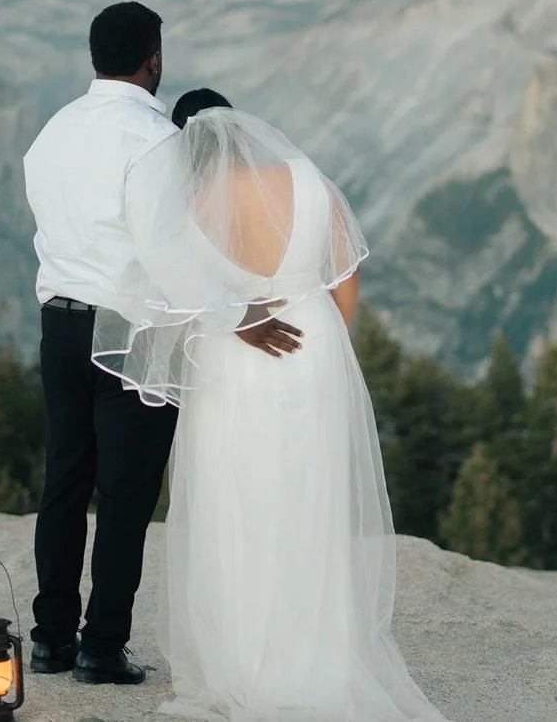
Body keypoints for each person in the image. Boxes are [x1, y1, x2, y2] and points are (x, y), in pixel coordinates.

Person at [90, 87, 450, 721]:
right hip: (313, 352)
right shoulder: (309, 181)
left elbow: (167, 305)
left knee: (238, 508)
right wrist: (324, 351)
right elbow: (346, 280)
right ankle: (322, 660)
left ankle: (246, 667)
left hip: (234, 366)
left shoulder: (189, 206)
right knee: (312, 506)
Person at [21, 3, 302, 685]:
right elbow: (170, 249)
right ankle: (100, 645)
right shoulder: (154, 139)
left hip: (59, 323)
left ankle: (51, 636)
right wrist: (239, 314)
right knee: (123, 492)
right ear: (153, 59)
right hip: (129, 334)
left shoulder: (52, 130)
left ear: (94, 55)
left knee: (65, 482)